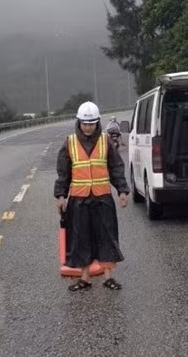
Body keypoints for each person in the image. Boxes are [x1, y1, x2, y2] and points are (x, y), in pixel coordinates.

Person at [54, 101, 130, 291]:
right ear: (79, 122)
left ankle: (107, 277)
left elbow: (116, 168)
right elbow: (63, 173)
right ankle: (85, 278)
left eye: (92, 123)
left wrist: (122, 190)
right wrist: (60, 195)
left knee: (106, 236)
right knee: (81, 238)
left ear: (97, 123)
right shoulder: (69, 142)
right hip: (79, 200)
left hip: (103, 198)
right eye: (85, 123)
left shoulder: (105, 141)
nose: (88, 127)